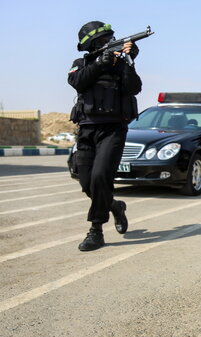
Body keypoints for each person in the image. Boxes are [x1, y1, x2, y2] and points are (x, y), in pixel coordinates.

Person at [68, 21, 142, 251]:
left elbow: (134, 87)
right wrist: (100, 62)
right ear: (91, 44)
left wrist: (130, 60)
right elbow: (77, 81)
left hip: (113, 129)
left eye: (110, 38)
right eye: (102, 41)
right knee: (87, 183)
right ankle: (115, 206)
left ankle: (96, 230)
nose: (107, 43)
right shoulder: (82, 63)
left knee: (101, 177)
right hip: (86, 129)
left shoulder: (120, 64)